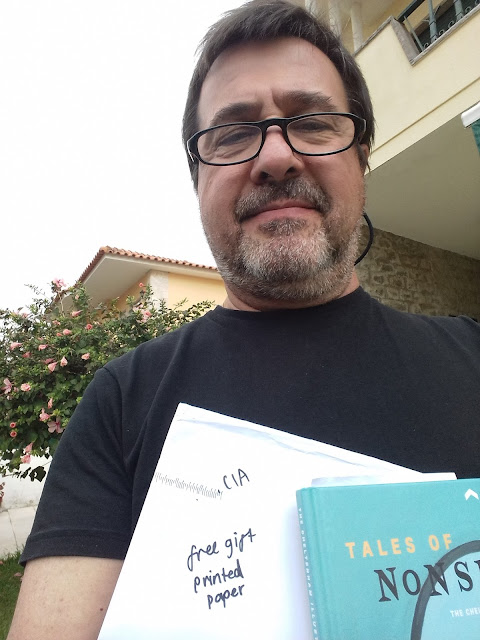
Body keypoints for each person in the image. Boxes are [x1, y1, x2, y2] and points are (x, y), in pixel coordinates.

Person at [8, 1, 480, 638]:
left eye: (312, 122)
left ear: (361, 156)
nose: (276, 156)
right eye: (232, 135)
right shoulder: (119, 402)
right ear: (197, 179)